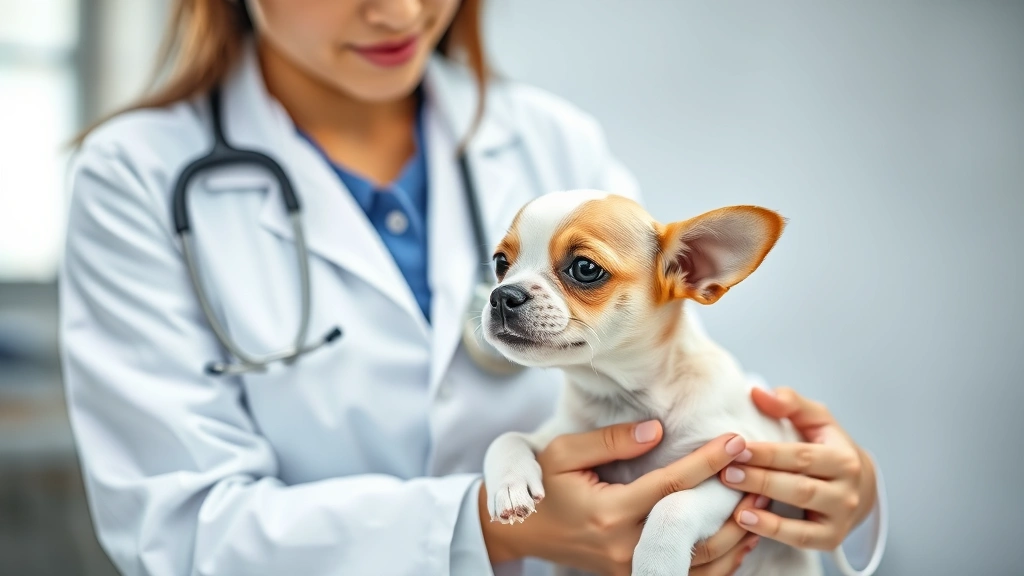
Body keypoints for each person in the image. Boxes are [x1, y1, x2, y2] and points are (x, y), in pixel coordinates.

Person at [59, 1, 887, 575]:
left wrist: (826, 491)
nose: (400, 11)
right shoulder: (135, 174)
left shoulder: (549, 139)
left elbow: (655, 354)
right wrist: (484, 526)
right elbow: (174, 531)